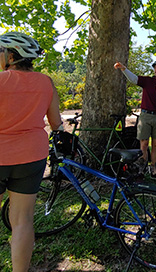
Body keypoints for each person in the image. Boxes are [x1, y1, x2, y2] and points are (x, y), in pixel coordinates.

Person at [0, 32, 62, 272]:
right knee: (23, 220)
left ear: (11, 55)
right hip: (32, 157)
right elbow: (56, 122)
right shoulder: (46, 82)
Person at [114, 59, 156, 181]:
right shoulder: (147, 81)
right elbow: (134, 79)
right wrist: (123, 68)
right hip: (145, 116)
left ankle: (154, 171)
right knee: (144, 144)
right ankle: (141, 171)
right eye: (155, 67)